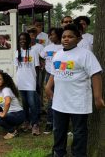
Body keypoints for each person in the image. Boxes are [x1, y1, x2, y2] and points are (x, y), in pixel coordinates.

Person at [45, 23, 104, 157]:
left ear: (78, 39)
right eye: (64, 37)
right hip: (59, 102)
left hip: (78, 102)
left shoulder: (85, 54)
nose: (66, 39)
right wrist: (48, 87)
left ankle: (79, 154)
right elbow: (54, 72)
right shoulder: (58, 54)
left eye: (70, 37)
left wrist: (98, 97)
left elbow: (96, 74)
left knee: (79, 133)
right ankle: (59, 153)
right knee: (58, 130)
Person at [15, 32, 40, 136]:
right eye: (20, 39)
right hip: (21, 82)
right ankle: (26, 122)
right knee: (24, 104)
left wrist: (37, 82)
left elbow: (37, 67)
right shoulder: (17, 52)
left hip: (31, 82)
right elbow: (17, 68)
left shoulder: (33, 52)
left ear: (28, 40)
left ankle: (35, 124)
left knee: (32, 103)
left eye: (24, 39)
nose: (22, 41)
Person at [40, 27, 63, 134]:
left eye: (52, 34)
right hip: (49, 75)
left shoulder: (63, 47)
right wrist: (43, 65)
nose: (50, 36)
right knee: (50, 98)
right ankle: (50, 122)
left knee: (61, 98)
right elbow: (41, 57)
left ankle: (60, 123)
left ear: (58, 35)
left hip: (62, 75)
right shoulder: (47, 48)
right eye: (49, 35)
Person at [0, 71, 25, 139]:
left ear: (4, 81)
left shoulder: (6, 89)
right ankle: (13, 126)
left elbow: (7, 102)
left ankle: (12, 131)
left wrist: (3, 114)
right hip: (11, 114)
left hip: (17, 114)